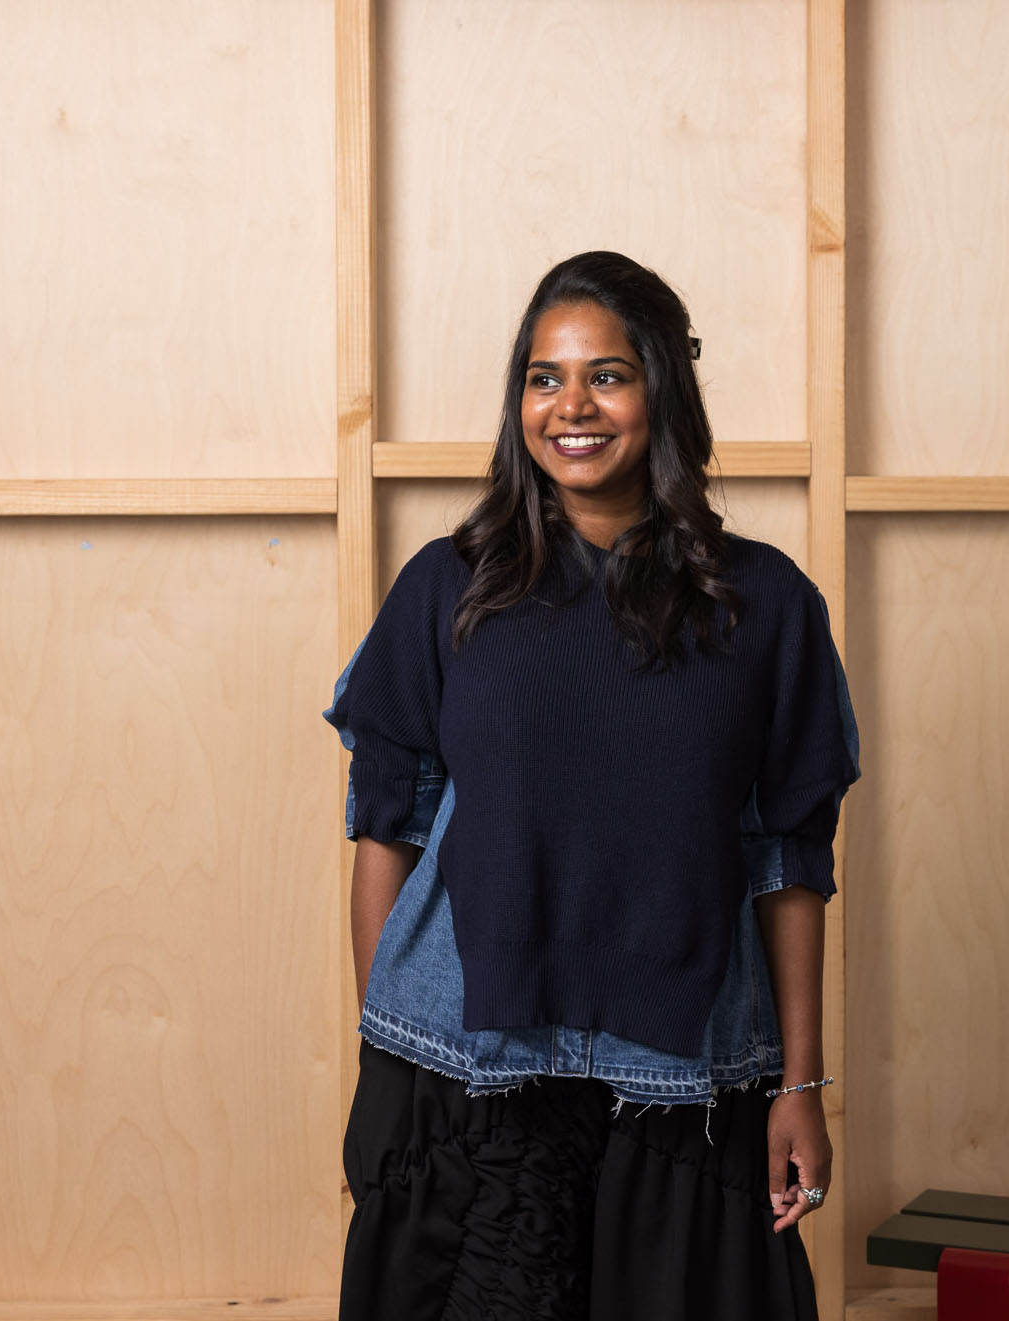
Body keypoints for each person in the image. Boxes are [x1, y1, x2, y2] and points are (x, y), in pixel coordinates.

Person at [323, 250, 860, 1320]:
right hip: (462, 1066)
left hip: (684, 1082)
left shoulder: (766, 607)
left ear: (663, 387)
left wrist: (799, 1086)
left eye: (606, 374)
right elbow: (391, 827)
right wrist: (380, 1058)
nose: (571, 406)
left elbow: (788, 858)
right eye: (542, 376)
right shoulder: (449, 586)